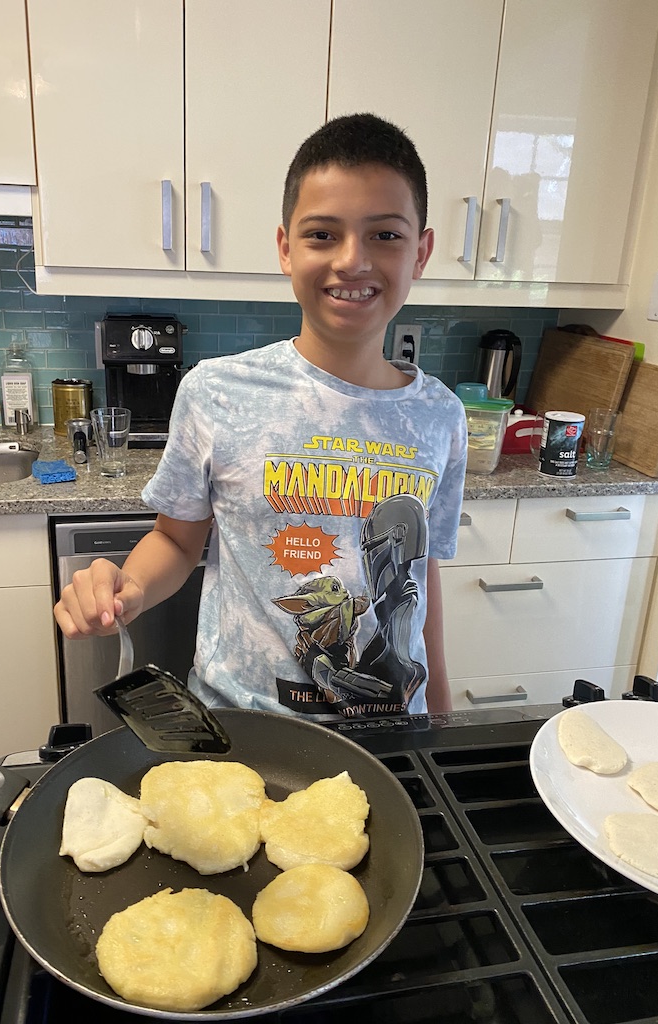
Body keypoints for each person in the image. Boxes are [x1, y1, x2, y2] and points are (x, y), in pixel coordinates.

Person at [54, 112, 467, 718]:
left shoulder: (439, 416)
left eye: (385, 235)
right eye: (323, 234)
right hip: (243, 727)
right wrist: (131, 587)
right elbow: (175, 538)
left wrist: (440, 715)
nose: (352, 261)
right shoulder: (218, 392)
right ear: (284, 248)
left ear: (422, 251)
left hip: (389, 733)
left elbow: (418, 577)